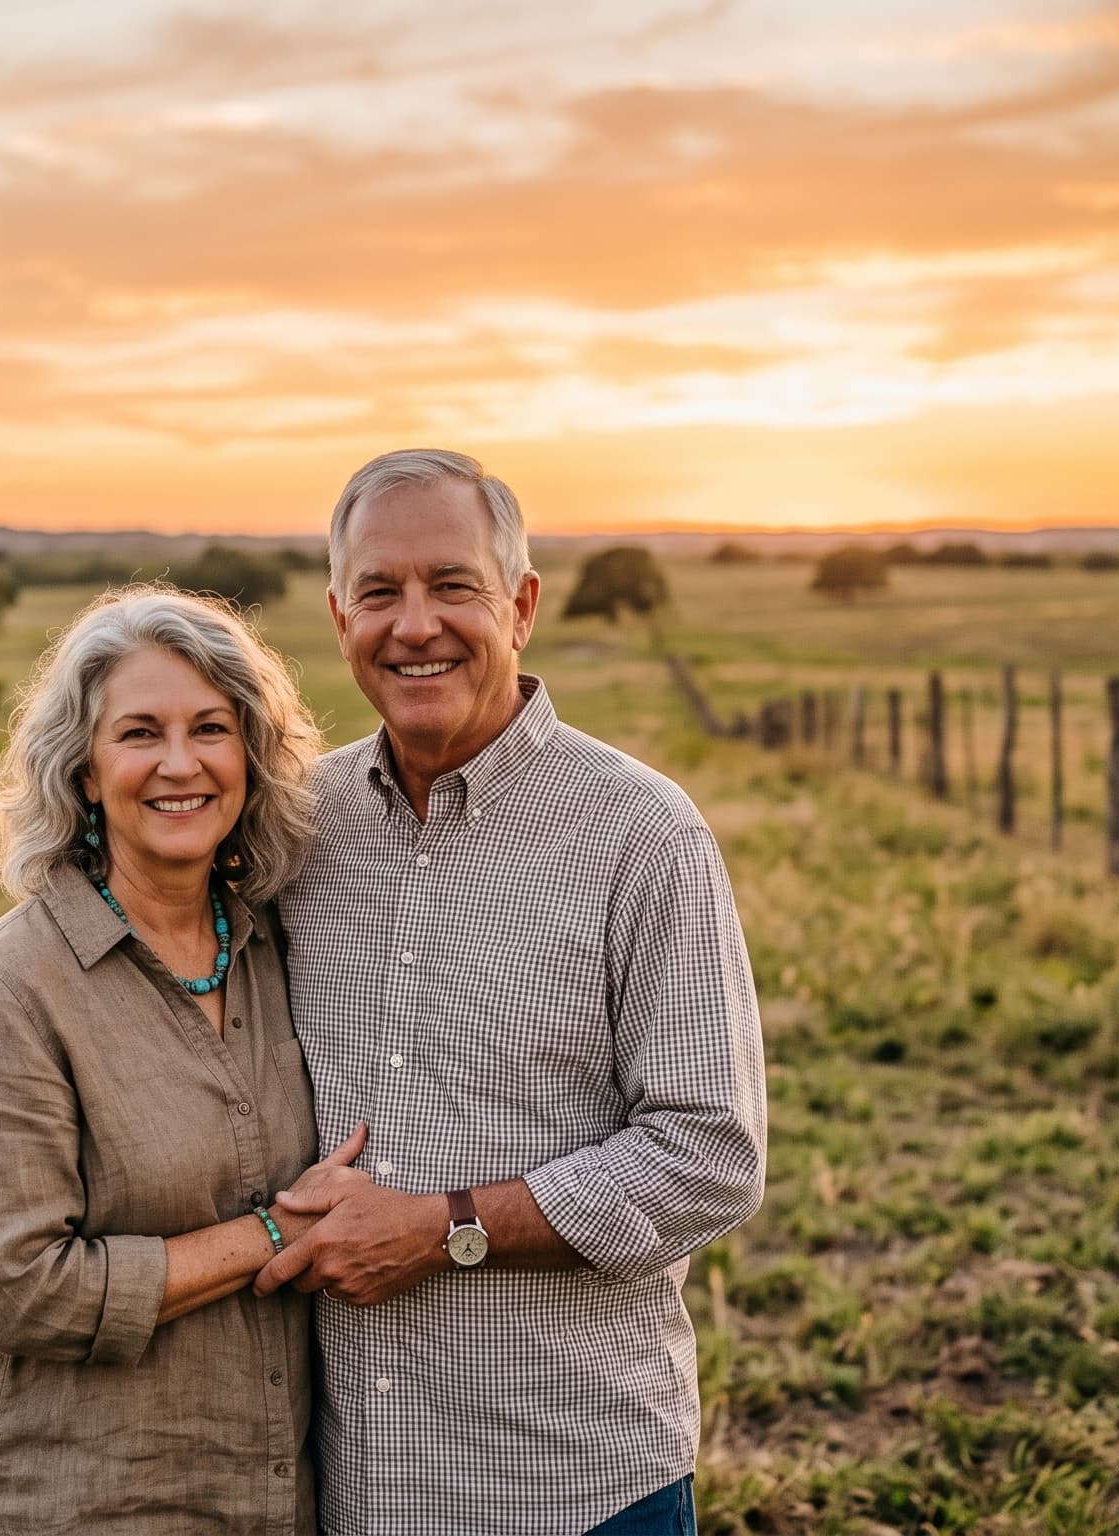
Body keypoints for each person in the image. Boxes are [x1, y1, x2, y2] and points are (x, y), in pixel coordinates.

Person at [259, 449, 770, 1536]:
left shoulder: (640, 834)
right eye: (381, 592)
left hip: (573, 1485)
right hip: (353, 1483)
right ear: (340, 613)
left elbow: (710, 1154)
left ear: (521, 604)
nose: (415, 626)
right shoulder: (295, 828)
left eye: (453, 585)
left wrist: (443, 1226)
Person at [0, 587, 356, 1535]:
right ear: (82, 769)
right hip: (82, 1500)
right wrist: (276, 1235)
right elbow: (20, 1289)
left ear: (250, 756)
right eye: (138, 733)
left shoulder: (281, 947)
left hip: (273, 1498)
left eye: (211, 728)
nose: (179, 764)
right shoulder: (15, 982)